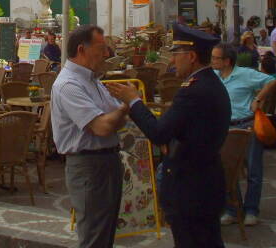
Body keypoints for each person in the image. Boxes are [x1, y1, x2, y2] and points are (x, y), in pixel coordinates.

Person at [108, 24, 230, 248]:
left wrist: (134, 101)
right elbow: (195, 130)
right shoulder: (211, 84)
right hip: (206, 181)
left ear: (191, 56)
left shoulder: (192, 90)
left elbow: (158, 132)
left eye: (176, 55)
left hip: (190, 187)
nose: (172, 61)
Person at [51, 25, 128, 248]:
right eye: (101, 48)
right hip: (89, 166)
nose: (106, 54)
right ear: (81, 49)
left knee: (105, 233)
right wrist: (127, 105)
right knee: (94, 236)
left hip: (106, 162)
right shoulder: (69, 84)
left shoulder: (92, 80)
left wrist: (118, 114)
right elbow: (103, 126)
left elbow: (116, 122)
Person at [211, 44, 276, 226]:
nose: (213, 61)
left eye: (216, 58)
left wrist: (258, 99)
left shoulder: (245, 74)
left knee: (253, 170)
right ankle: (233, 209)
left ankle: (251, 210)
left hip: (246, 127)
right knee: (227, 170)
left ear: (227, 61)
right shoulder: (215, 77)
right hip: (225, 128)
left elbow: (272, 79)